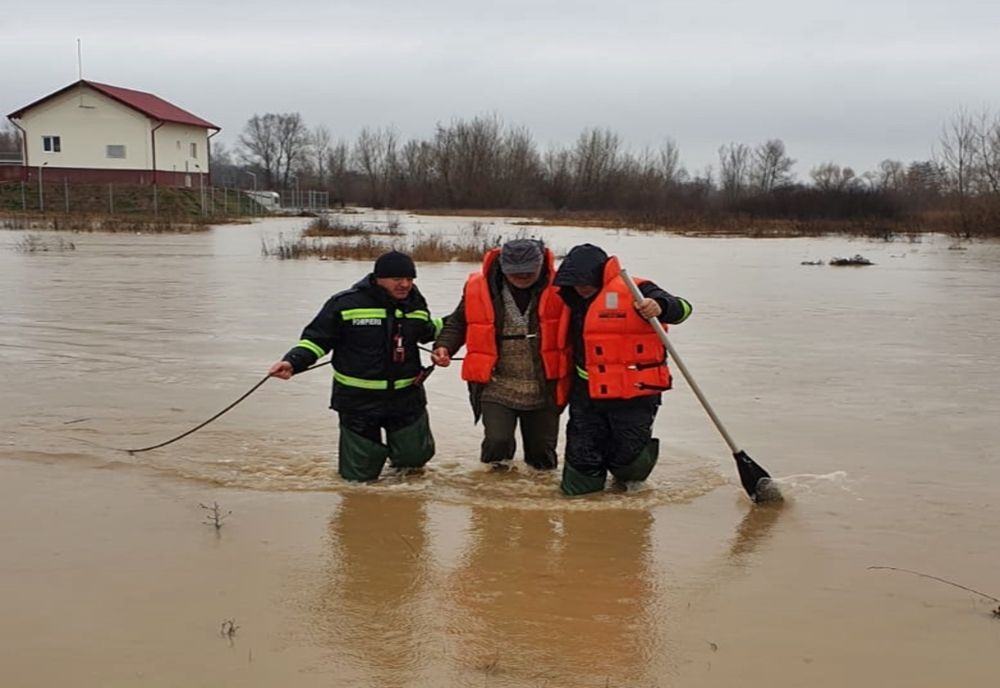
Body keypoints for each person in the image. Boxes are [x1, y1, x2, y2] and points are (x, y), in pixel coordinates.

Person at [268, 251, 440, 481]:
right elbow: (317, 340)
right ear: (379, 277)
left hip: (406, 398)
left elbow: (428, 332)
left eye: (410, 279)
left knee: (415, 461)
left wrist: (462, 322)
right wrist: (292, 361)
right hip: (357, 402)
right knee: (358, 480)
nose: (405, 284)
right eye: (397, 279)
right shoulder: (345, 303)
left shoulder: (416, 304)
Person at [552, 244, 692, 496]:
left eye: (585, 282)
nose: (580, 287)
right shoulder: (568, 299)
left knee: (629, 460)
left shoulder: (638, 289)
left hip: (634, 395)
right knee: (582, 460)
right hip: (586, 394)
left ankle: (629, 480)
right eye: (574, 282)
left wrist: (660, 306)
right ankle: (579, 510)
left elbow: (683, 309)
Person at [431, 239, 571, 470]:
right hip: (496, 382)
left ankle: (542, 502)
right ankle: (491, 498)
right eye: (515, 272)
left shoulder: (564, 287)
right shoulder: (480, 286)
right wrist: (443, 346)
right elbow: (458, 322)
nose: (522, 277)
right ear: (503, 267)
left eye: (528, 271)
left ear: (541, 265)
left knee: (542, 455)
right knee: (498, 442)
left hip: (543, 383)